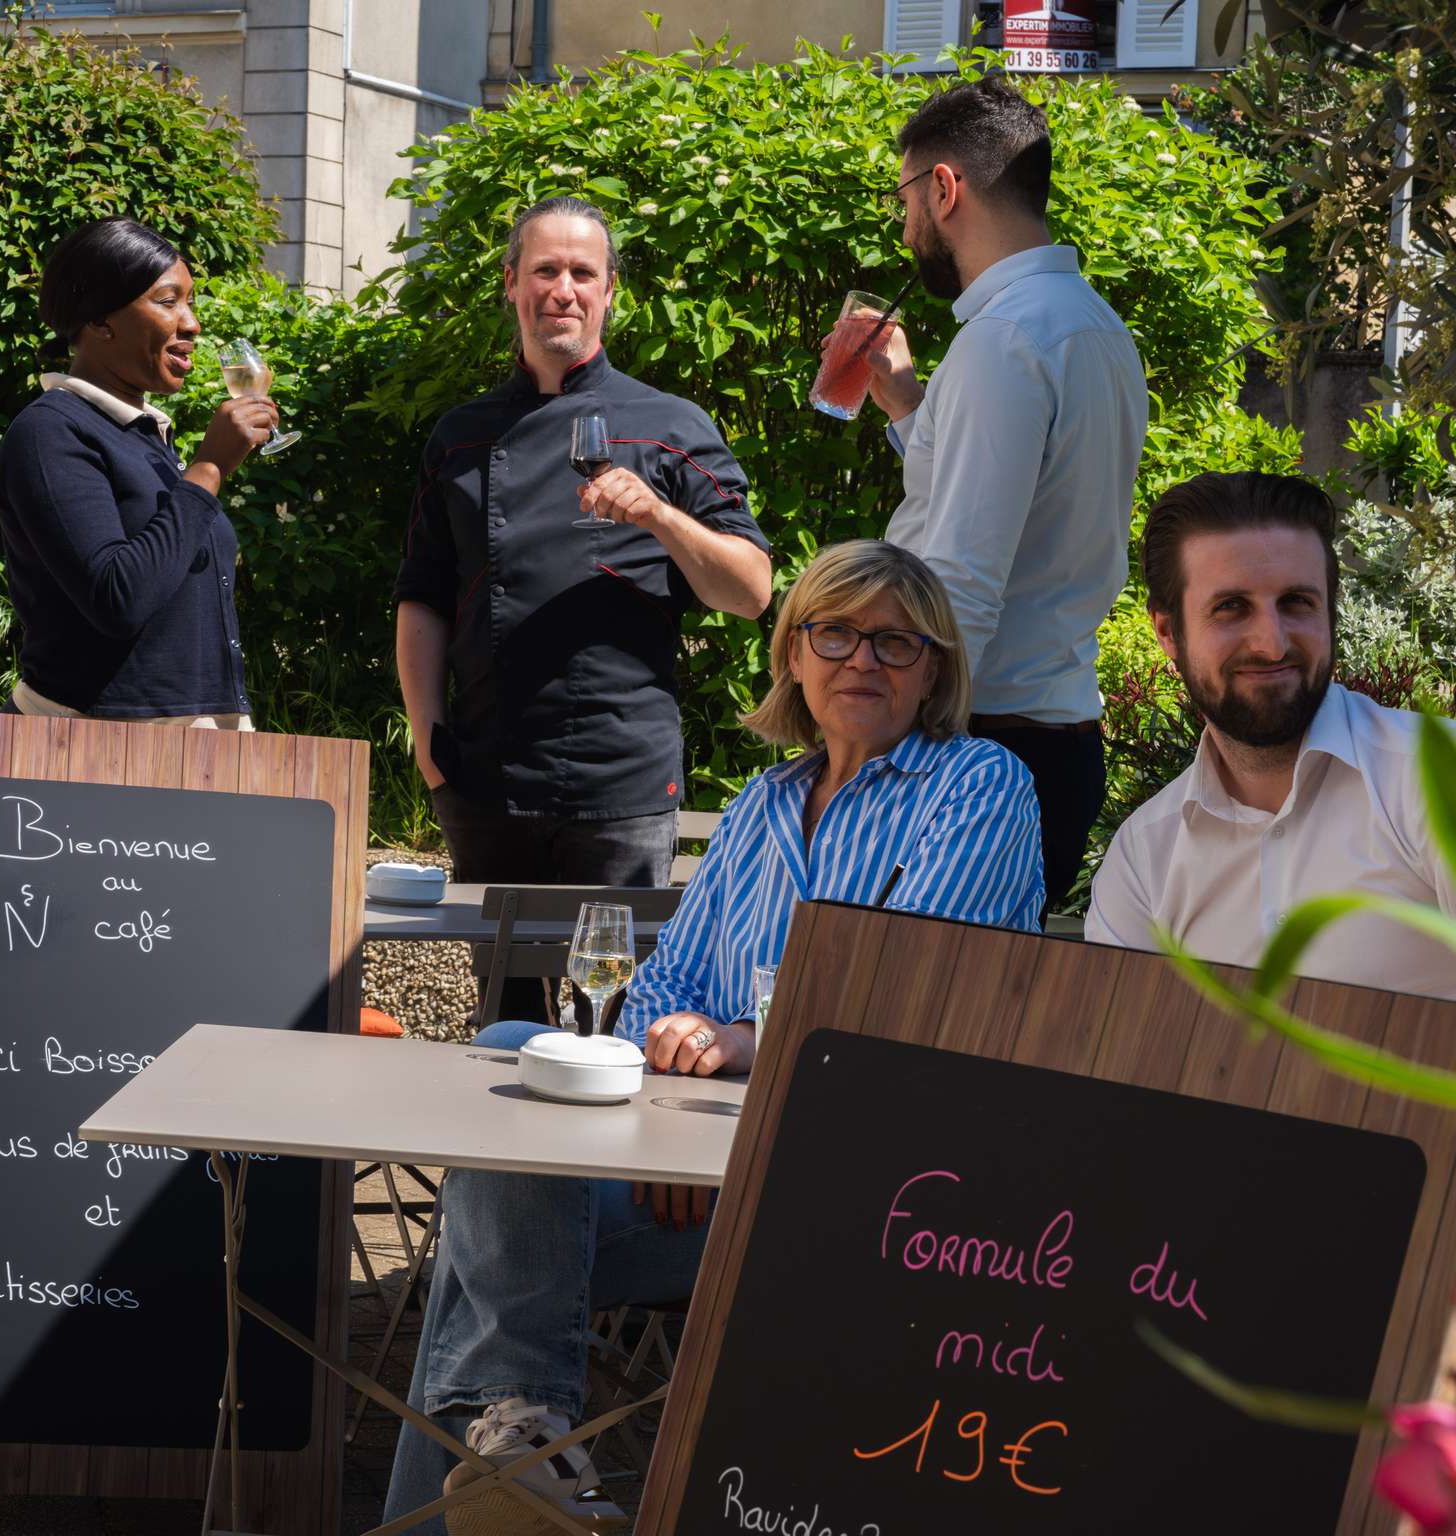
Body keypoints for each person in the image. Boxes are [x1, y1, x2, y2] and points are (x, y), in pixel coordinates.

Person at [382, 541, 1044, 1536]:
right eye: (834, 633)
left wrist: (735, 1053)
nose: (861, 659)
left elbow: (901, 997)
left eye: (894, 642)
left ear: (934, 668)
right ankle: (520, 1454)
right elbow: (663, 989)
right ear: (794, 654)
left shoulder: (979, 786)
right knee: (514, 1071)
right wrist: (671, 1127)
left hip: (860, 1199)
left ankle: (510, 1457)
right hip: (688, 1183)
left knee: (493, 1259)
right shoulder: (760, 805)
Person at [394, 196, 773, 1019]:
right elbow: (421, 597)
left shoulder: (670, 427)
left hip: (621, 786)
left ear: (609, 294)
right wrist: (429, 744)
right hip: (485, 779)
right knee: (505, 1022)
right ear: (511, 285)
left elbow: (750, 591)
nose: (561, 289)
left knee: (618, 1020)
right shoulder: (460, 436)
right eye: (544, 270)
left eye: (581, 273)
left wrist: (659, 515)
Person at [1085, 471, 1456, 1006]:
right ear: (1168, 633)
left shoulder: (1439, 783)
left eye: (1296, 603)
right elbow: (1116, 1068)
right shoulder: (1145, 861)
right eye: (1231, 607)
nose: (1271, 643)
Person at [850, 75, 1148, 911]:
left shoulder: (1005, 338)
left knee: (911, 1017)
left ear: (944, 188)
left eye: (906, 196)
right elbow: (1031, 507)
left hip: (980, 743)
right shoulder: (1091, 323)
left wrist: (880, 745)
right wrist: (911, 403)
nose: (906, 225)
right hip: (1049, 734)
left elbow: (961, 581)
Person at [0, 217, 280, 726]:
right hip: (97, 747)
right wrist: (210, 467)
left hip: (193, 738)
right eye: (168, 302)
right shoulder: (50, 433)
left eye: (190, 302)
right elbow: (118, 598)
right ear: (99, 319)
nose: (192, 323)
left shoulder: (146, 438)